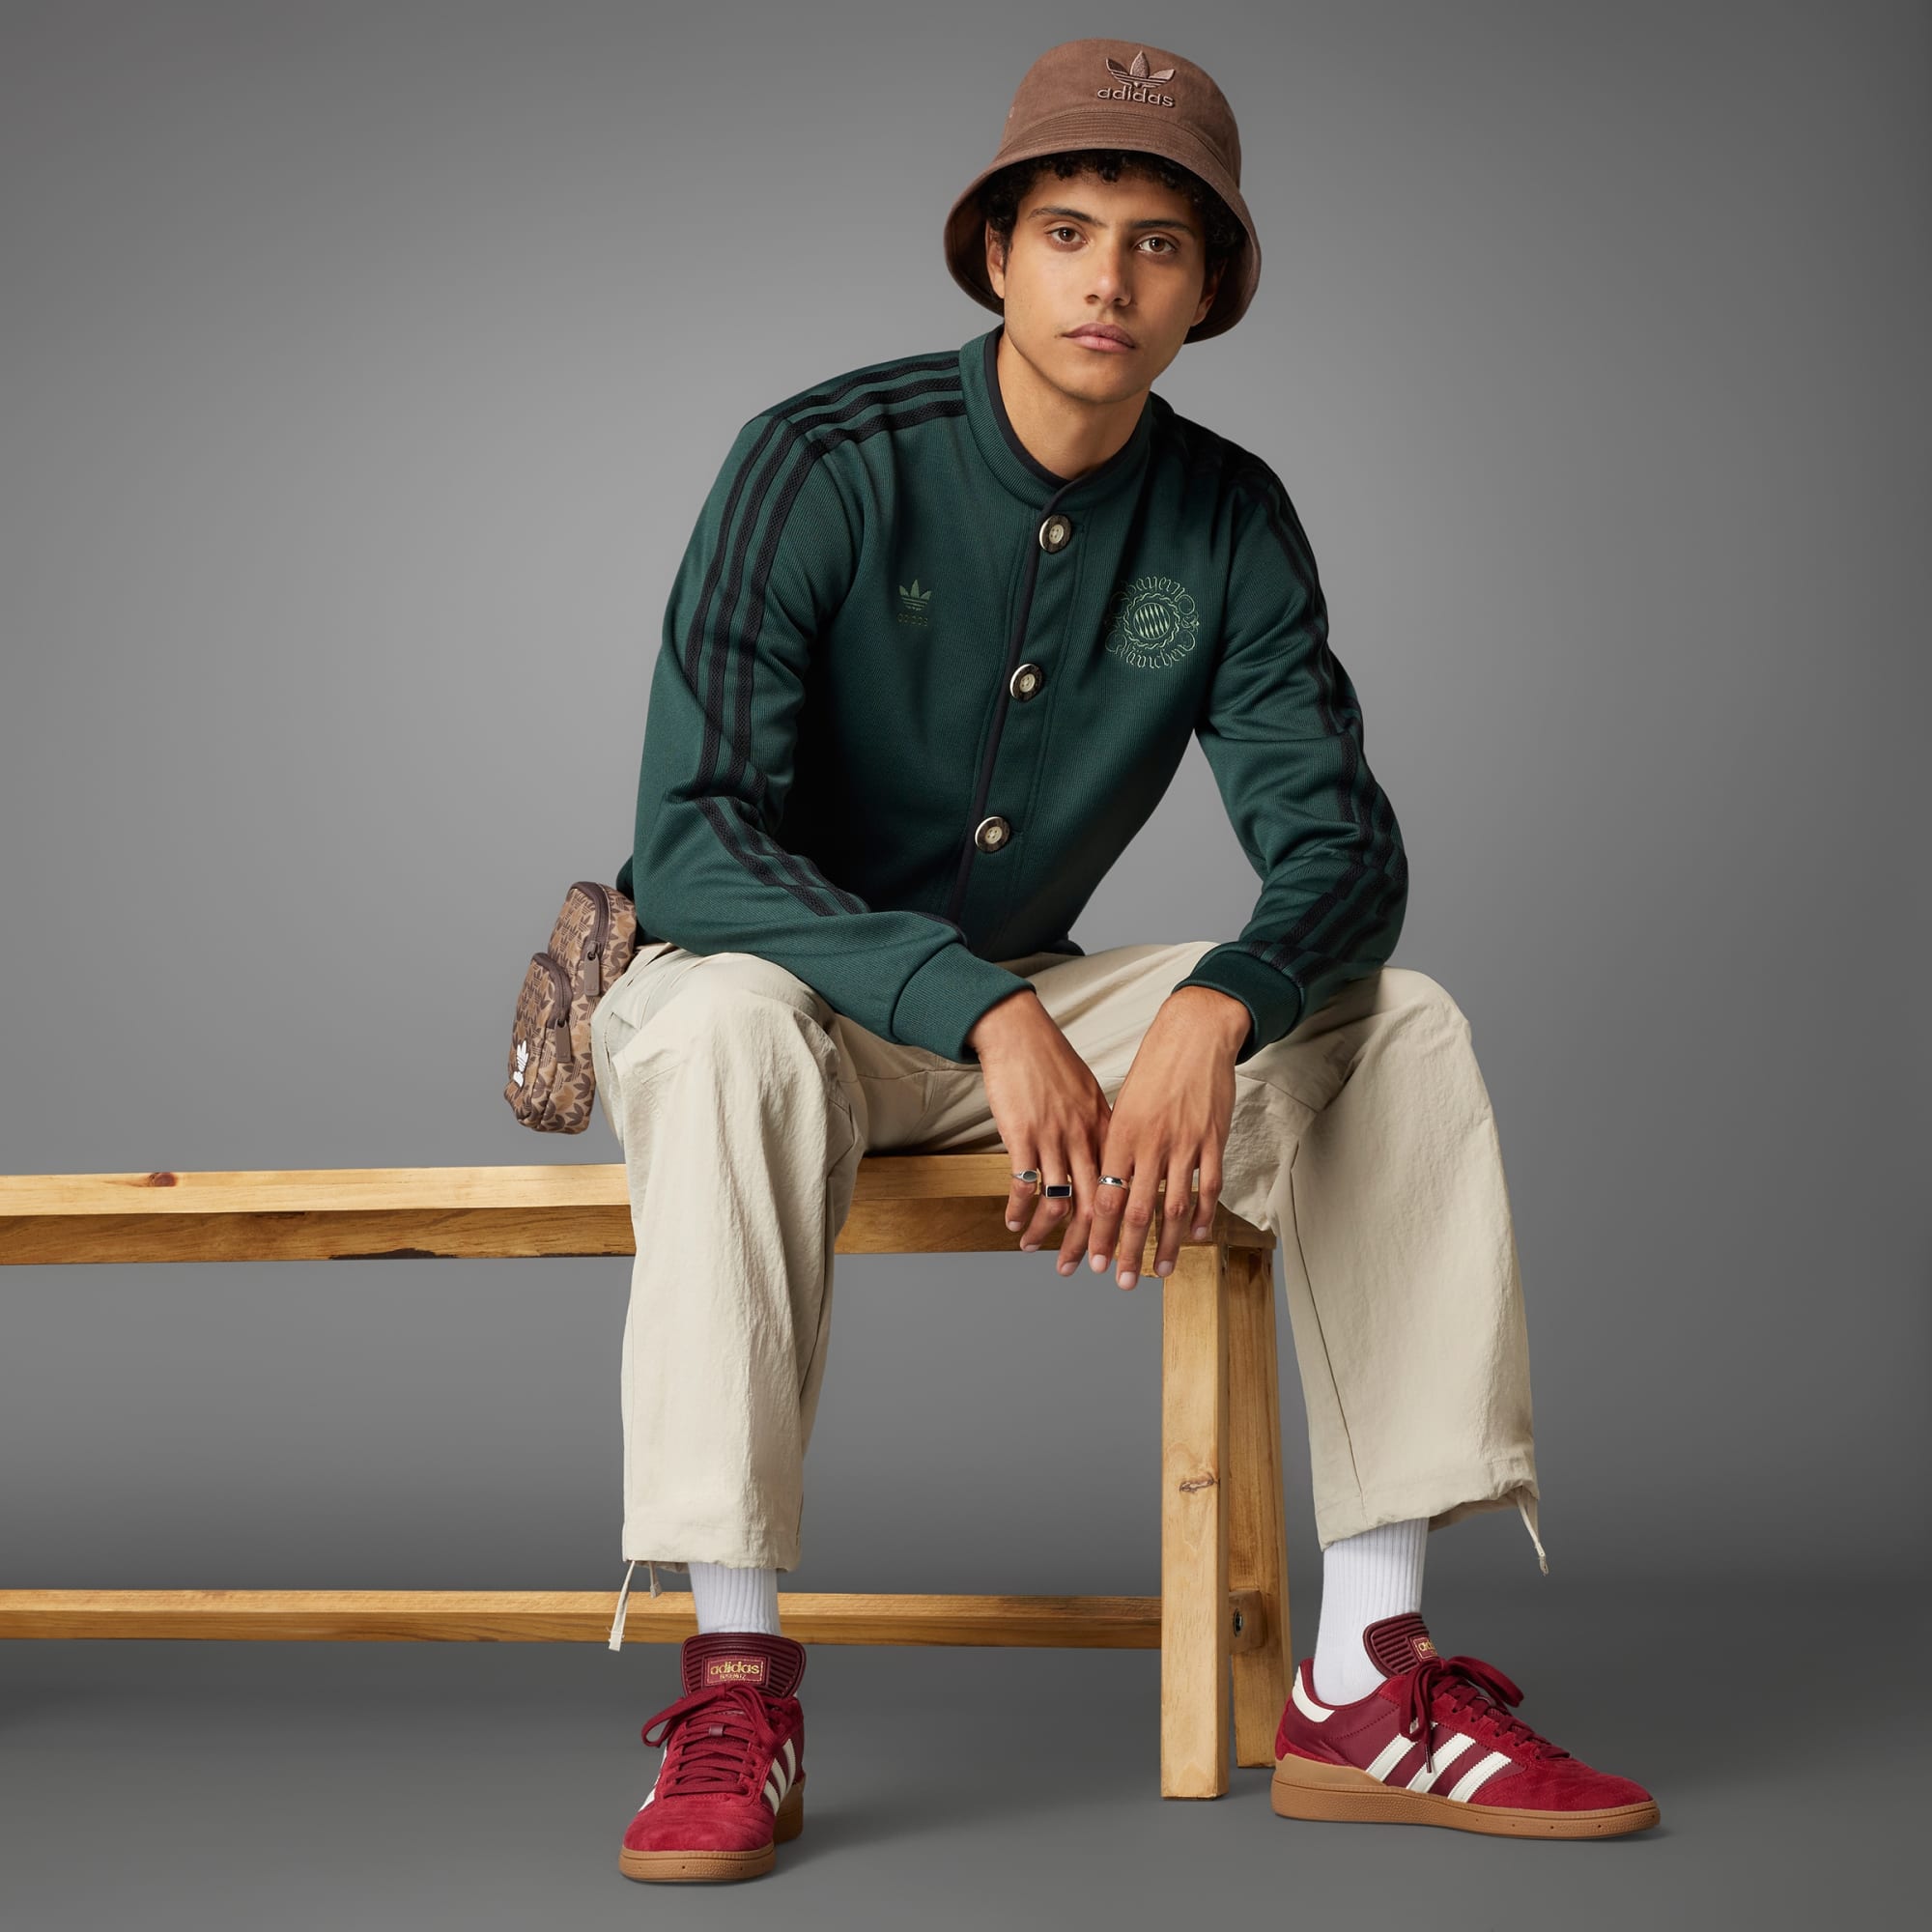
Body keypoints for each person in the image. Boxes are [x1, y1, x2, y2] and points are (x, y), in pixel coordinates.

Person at [591, 35, 1658, 1884]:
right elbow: (696, 838)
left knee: (1395, 1022)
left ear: (1207, 285)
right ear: (997, 254)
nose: (1109, 279)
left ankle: (1363, 1676)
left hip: (1023, 1014)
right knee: (726, 1038)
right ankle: (735, 1679)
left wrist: (1220, 1003)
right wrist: (983, 1004)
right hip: (766, 995)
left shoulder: (1228, 516)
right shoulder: (822, 459)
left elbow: (1342, 846)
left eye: (1159, 243)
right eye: (1070, 230)